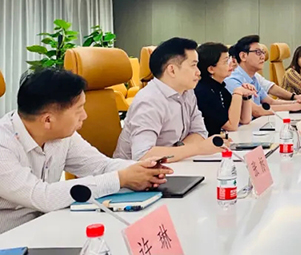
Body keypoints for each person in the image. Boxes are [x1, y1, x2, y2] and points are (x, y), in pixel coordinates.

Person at [0, 69, 173, 233]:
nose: (84, 116)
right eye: (79, 110)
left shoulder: (61, 135)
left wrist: (141, 169)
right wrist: (121, 178)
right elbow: (43, 196)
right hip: (10, 239)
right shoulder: (4, 145)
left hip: (48, 226)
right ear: (47, 120)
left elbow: (101, 166)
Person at [115, 37, 224, 162]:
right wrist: (197, 149)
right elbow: (143, 155)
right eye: (193, 65)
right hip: (135, 171)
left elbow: (199, 132)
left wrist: (179, 151)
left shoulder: (187, 92)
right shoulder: (149, 101)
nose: (198, 72)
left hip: (172, 165)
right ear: (172, 70)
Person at [225, 35, 301, 117]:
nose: (263, 57)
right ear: (243, 56)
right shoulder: (232, 80)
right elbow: (256, 111)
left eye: (263, 52)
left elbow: (270, 102)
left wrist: (296, 102)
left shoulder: (253, 78)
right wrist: (292, 107)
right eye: (258, 52)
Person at [195, 42, 255, 136]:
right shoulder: (203, 92)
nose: (231, 63)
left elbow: (244, 120)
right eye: (226, 62)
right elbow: (231, 126)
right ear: (211, 69)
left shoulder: (220, 87)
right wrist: (238, 93)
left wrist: (246, 97)